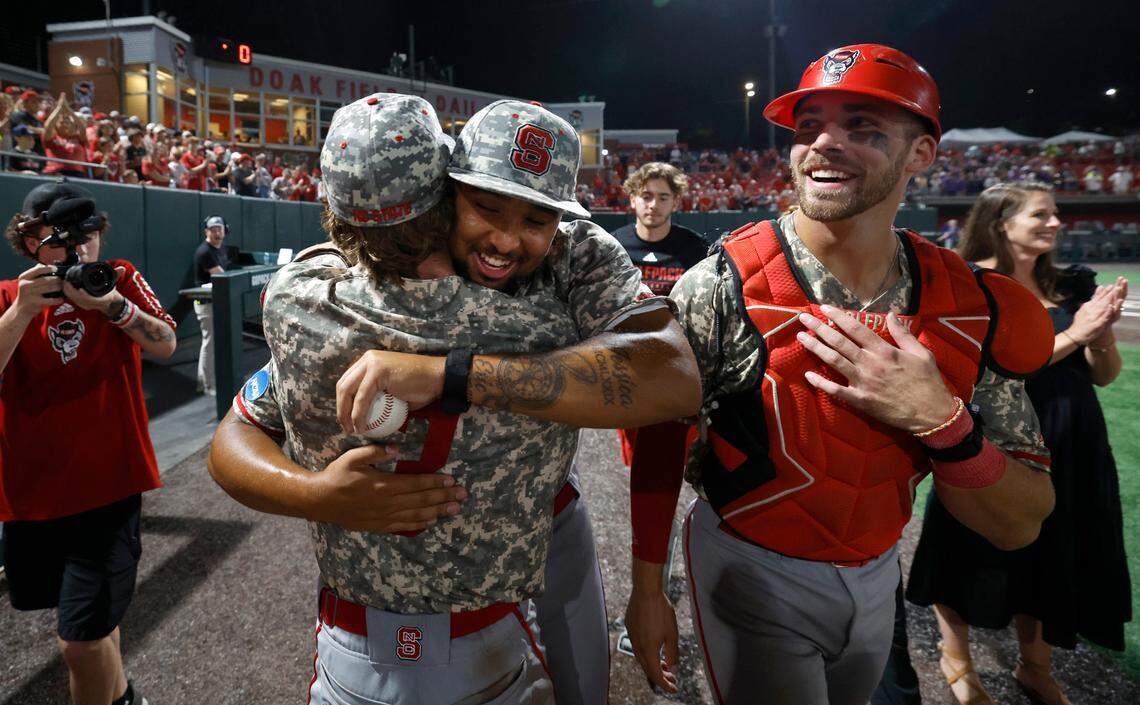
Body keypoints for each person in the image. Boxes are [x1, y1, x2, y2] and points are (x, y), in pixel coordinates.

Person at [207, 96, 700, 704]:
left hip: (544, 531)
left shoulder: (572, 257)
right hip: (403, 617)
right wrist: (318, 495)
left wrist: (453, 373)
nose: (505, 239)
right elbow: (238, 433)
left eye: (537, 220)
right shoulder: (345, 290)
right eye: (485, 206)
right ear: (446, 190)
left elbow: (673, 379)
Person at [623, 44, 1058, 705]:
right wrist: (648, 587)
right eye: (808, 127)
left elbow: (1020, 521)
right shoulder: (721, 284)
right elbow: (657, 440)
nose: (824, 144)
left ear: (921, 155)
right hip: (751, 563)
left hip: (880, 567)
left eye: (863, 128)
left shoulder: (967, 302)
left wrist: (944, 423)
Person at [906, 183, 1131, 705]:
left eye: (1056, 214)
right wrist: (1077, 334)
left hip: (1072, 431)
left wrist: (1100, 336)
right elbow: (988, 368)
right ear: (1001, 222)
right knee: (966, 545)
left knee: (1055, 549)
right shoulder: (971, 283)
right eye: (1041, 214)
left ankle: (1035, 665)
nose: (1055, 223)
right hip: (995, 435)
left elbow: (1104, 376)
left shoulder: (1072, 284)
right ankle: (956, 657)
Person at [1, 181, 177, 705]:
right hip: (32, 497)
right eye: (57, 239)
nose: (76, 251)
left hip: (108, 489)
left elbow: (165, 342)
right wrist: (22, 312)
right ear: (32, 243)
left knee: (80, 640)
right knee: (87, 624)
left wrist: (111, 306)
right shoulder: (10, 296)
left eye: (86, 235)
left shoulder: (118, 279)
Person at [612, 161, 709, 296]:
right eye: (646, 197)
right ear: (633, 200)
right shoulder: (613, 246)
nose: (653, 205)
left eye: (663, 198)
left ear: (675, 203)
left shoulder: (696, 247)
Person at [192, 215, 230, 396]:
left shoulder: (221, 248)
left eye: (219, 228)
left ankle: (203, 382)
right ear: (206, 231)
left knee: (210, 342)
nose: (217, 232)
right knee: (209, 343)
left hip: (214, 302)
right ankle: (207, 385)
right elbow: (221, 276)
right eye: (213, 229)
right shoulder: (205, 252)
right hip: (205, 303)